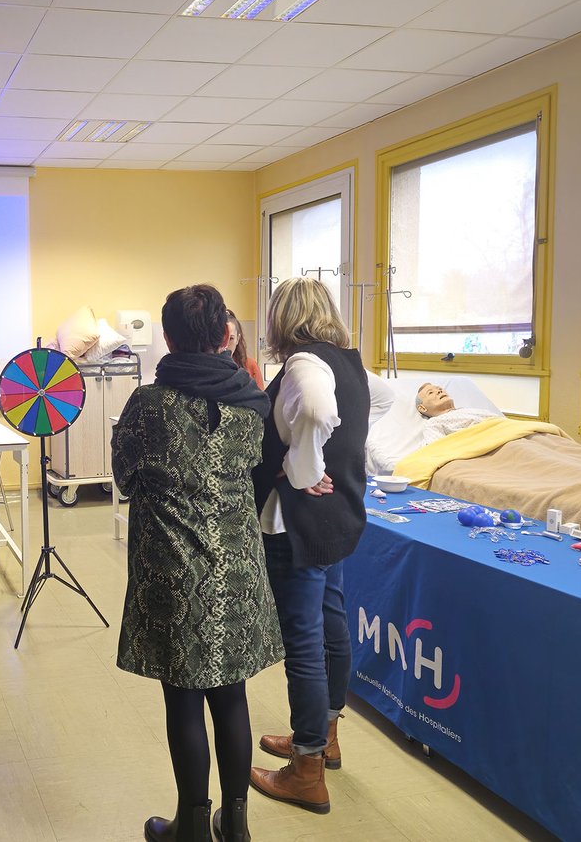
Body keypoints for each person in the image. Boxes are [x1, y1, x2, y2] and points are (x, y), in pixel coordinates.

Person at [112, 284, 284, 842]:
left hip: (172, 569)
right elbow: (263, 475)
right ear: (224, 335)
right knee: (231, 692)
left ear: (167, 336)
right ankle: (235, 825)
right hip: (236, 567)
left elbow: (125, 479)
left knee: (182, 695)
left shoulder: (148, 405)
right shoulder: (253, 401)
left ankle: (189, 824)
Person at [249, 277, 369, 816]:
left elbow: (319, 415)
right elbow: (377, 405)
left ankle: (305, 769)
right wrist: (340, 460)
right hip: (337, 518)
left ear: (282, 317)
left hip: (296, 522)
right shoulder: (348, 359)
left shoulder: (302, 365)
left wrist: (304, 469)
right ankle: (325, 736)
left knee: (303, 641)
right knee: (332, 624)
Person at [415, 382, 498, 444]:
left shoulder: (471, 410)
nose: (439, 391)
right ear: (422, 408)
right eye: (430, 392)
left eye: (439, 389)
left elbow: (500, 421)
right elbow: (438, 448)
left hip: (501, 434)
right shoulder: (433, 423)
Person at [225, 310, 264, 390]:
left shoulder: (250, 365)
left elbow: (261, 398)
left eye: (231, 339)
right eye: (222, 339)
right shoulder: (212, 367)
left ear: (238, 339)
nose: (225, 345)